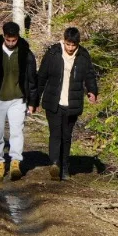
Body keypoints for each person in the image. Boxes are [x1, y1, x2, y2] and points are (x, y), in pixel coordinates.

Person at [31, 26, 100, 180]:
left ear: (78, 44)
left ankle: (65, 168)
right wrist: (34, 100)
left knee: (67, 136)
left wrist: (92, 91)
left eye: (73, 45)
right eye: (68, 44)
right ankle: (55, 164)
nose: (70, 48)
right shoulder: (53, 53)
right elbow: (41, 77)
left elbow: (90, 75)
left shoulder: (83, 56)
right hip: (53, 101)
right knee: (55, 133)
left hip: (72, 103)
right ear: (64, 41)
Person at [0, 21, 37, 180]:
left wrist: (33, 101)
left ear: (18, 38)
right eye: (8, 40)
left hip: (18, 98)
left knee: (17, 131)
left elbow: (32, 79)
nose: (11, 43)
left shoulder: (26, 54)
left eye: (14, 40)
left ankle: (15, 162)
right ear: (3, 36)